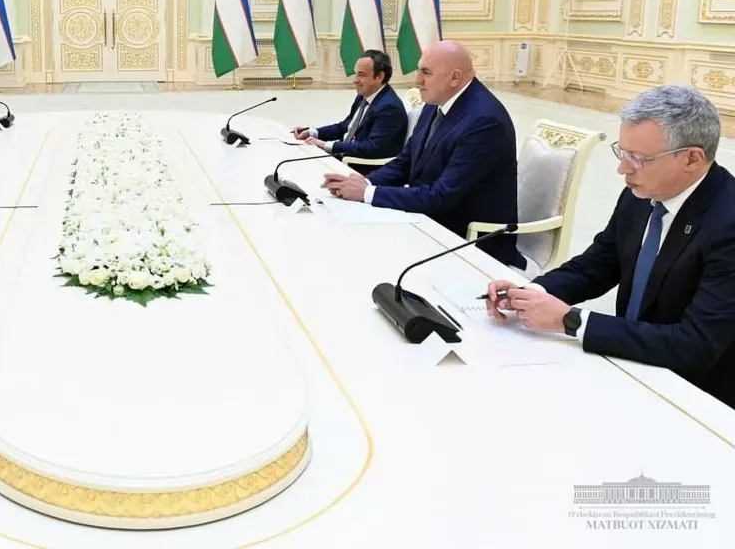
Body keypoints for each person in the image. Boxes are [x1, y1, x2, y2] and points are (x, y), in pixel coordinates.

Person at [486, 85, 735, 409]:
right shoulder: (641, 193)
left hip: (698, 397)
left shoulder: (727, 223)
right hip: (631, 363)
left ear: (692, 158)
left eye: (639, 158)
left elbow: (695, 345)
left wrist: (571, 321)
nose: (623, 169)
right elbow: (599, 263)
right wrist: (531, 293)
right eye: (623, 153)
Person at [324, 40, 523, 269]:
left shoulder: (484, 121)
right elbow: (405, 162)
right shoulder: (435, 102)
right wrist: (364, 182)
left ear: (455, 78)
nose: (417, 80)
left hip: (469, 243)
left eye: (426, 72)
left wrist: (367, 193)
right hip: (430, 220)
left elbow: (441, 196)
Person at [291, 49, 408, 174]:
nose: (355, 80)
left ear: (379, 76)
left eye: (361, 75)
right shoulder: (364, 97)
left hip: (363, 169)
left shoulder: (389, 107)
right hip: (344, 157)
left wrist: (326, 145)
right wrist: (312, 133)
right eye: (355, 74)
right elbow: (344, 127)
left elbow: (372, 148)